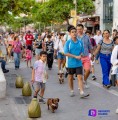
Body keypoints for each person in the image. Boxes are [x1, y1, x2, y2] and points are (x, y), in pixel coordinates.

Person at [64, 25, 89, 98]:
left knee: (80, 77)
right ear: (70, 34)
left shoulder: (80, 42)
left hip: (78, 63)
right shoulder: (68, 42)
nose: (74, 33)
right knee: (70, 78)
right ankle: (71, 90)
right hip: (70, 64)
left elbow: (82, 51)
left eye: (75, 32)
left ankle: (81, 92)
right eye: (72, 32)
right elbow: (66, 53)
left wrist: (80, 55)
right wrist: (75, 56)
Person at [77, 24, 93, 88]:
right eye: (77, 29)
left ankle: (84, 80)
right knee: (80, 73)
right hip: (78, 57)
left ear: (83, 29)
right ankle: (81, 84)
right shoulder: (75, 37)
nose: (79, 30)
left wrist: (92, 54)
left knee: (88, 70)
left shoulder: (87, 37)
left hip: (86, 56)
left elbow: (90, 46)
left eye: (80, 29)